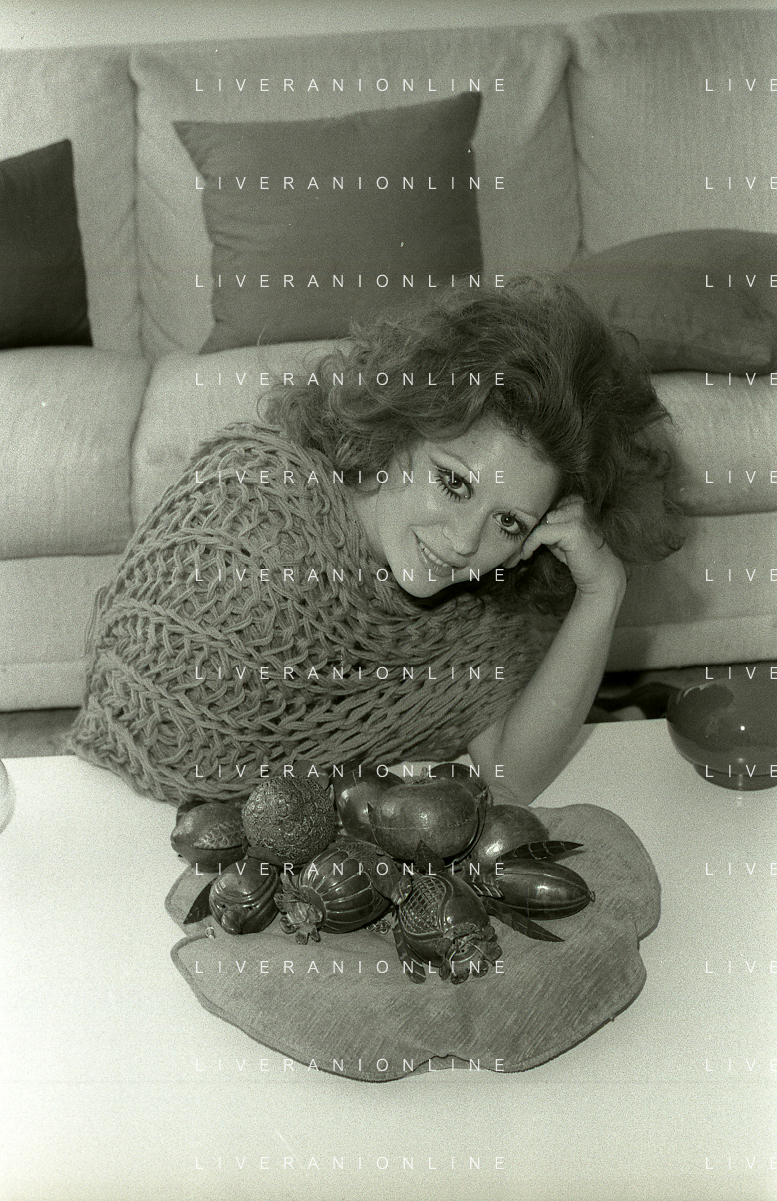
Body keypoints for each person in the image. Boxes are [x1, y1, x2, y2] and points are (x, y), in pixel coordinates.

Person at [68, 275, 684, 807]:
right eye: (454, 483)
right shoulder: (249, 525)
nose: (464, 543)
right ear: (401, 426)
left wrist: (603, 593)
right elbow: (148, 715)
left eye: (509, 523)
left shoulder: (478, 603)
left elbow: (511, 778)